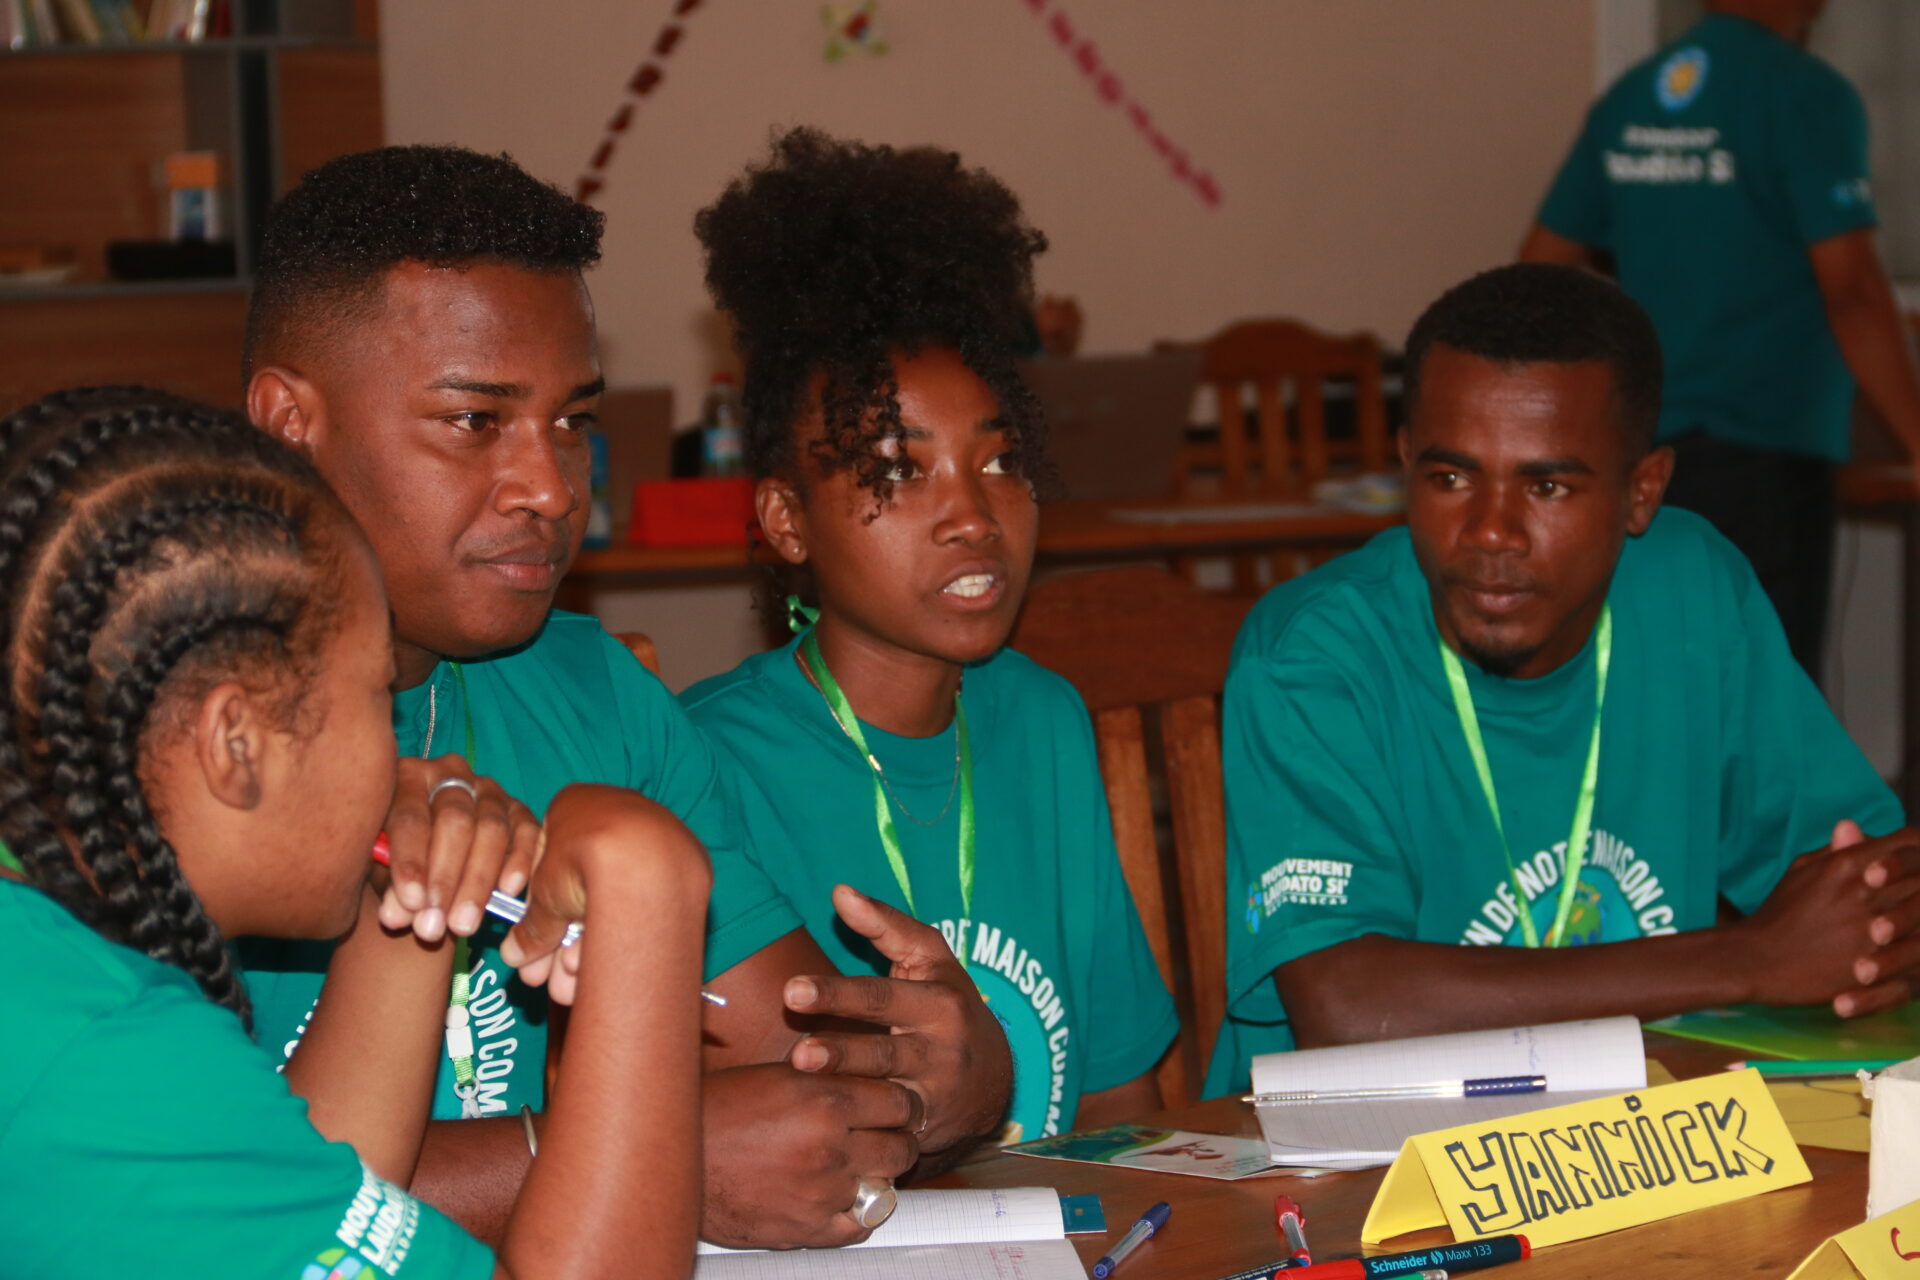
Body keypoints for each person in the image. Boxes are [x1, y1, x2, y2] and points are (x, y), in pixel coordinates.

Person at [241, 145, 1008, 1247]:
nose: (553, 489)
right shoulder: (180, 746)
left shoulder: (596, 693)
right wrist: (635, 1154)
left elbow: (810, 1083)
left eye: (572, 422)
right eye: (475, 421)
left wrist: (952, 1073)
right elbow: (199, 1215)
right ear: (288, 422)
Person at [0, 387, 709, 1278]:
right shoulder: (106, 1060)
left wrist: (409, 902)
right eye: (379, 698)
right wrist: (647, 888)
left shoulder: (48, 977)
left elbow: (301, 1213)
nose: (401, 750)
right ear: (237, 745)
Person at [1205, 264, 1920, 1096]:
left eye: (1546, 486)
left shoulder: (1693, 588)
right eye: (1450, 478)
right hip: (1351, 1151)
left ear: (1641, 492)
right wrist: (1751, 958)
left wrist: (1866, 935)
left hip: (1641, 1128)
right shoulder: (1314, 654)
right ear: (1405, 464)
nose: (1491, 532)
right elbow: (1348, 1011)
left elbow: (1870, 890)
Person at [681, 128, 1178, 1144]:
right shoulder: (707, 762)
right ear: (785, 520)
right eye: (898, 471)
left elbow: (1120, 1101)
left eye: (999, 462)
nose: (973, 516)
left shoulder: (1041, 717)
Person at [1520, 0, 1920, 678]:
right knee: (1760, 692)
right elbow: (1852, 289)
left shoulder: (1631, 97)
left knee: (1665, 682)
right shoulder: (1803, 93)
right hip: (1761, 451)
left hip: (1638, 454)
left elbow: (1538, 269)